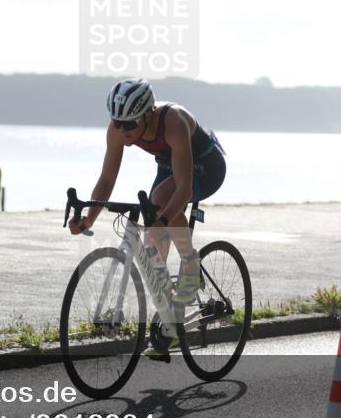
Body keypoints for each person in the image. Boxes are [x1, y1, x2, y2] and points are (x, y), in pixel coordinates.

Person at [68, 78, 227, 302]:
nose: (123, 130)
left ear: (148, 113)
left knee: (160, 201)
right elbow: (106, 179)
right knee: (154, 251)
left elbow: (184, 187)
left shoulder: (173, 121)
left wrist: (163, 221)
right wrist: (90, 218)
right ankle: (170, 312)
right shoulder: (117, 130)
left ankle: (191, 264)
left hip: (206, 165)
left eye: (130, 124)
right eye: (117, 122)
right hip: (168, 166)